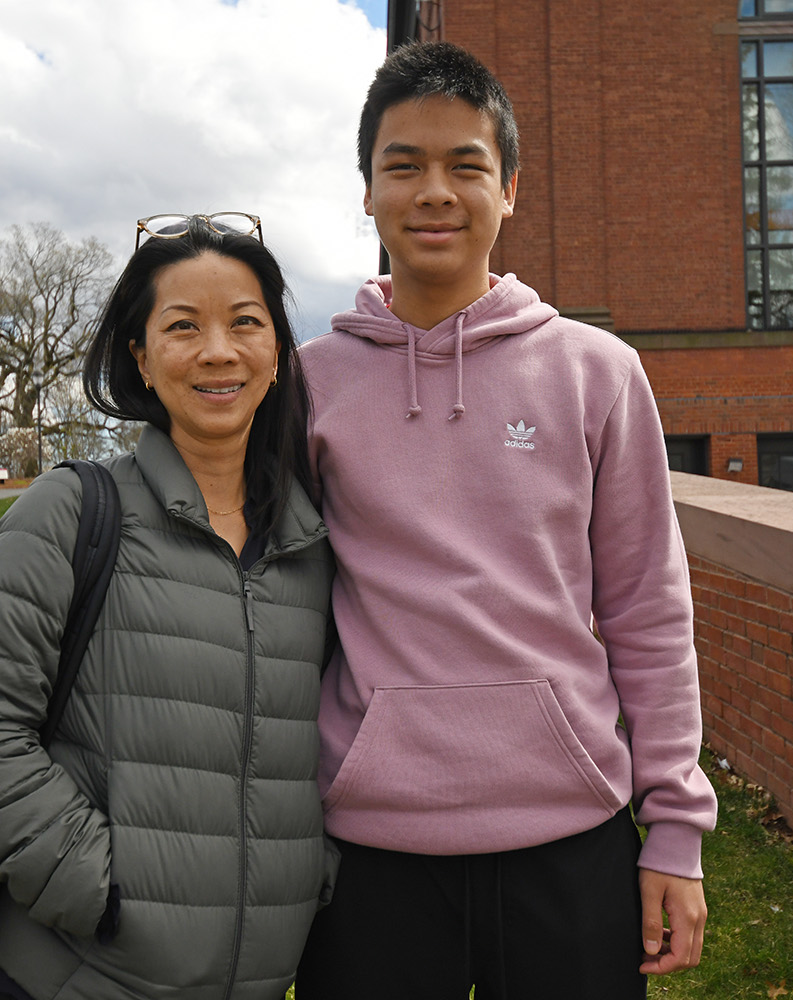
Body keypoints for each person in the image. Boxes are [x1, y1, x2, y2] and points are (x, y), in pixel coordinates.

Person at [295, 42, 718, 999]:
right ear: (367, 191)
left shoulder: (597, 372)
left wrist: (678, 832)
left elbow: (650, 610)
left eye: (465, 166)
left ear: (511, 188)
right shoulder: (311, 384)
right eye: (403, 165)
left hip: (571, 838)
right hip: (370, 848)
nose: (434, 191)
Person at [0, 213, 336, 1000]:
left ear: (277, 351)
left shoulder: (314, 547)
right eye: (182, 327)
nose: (217, 351)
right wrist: (98, 888)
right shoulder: (72, 511)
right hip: (68, 976)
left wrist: (316, 878)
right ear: (140, 355)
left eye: (246, 323)